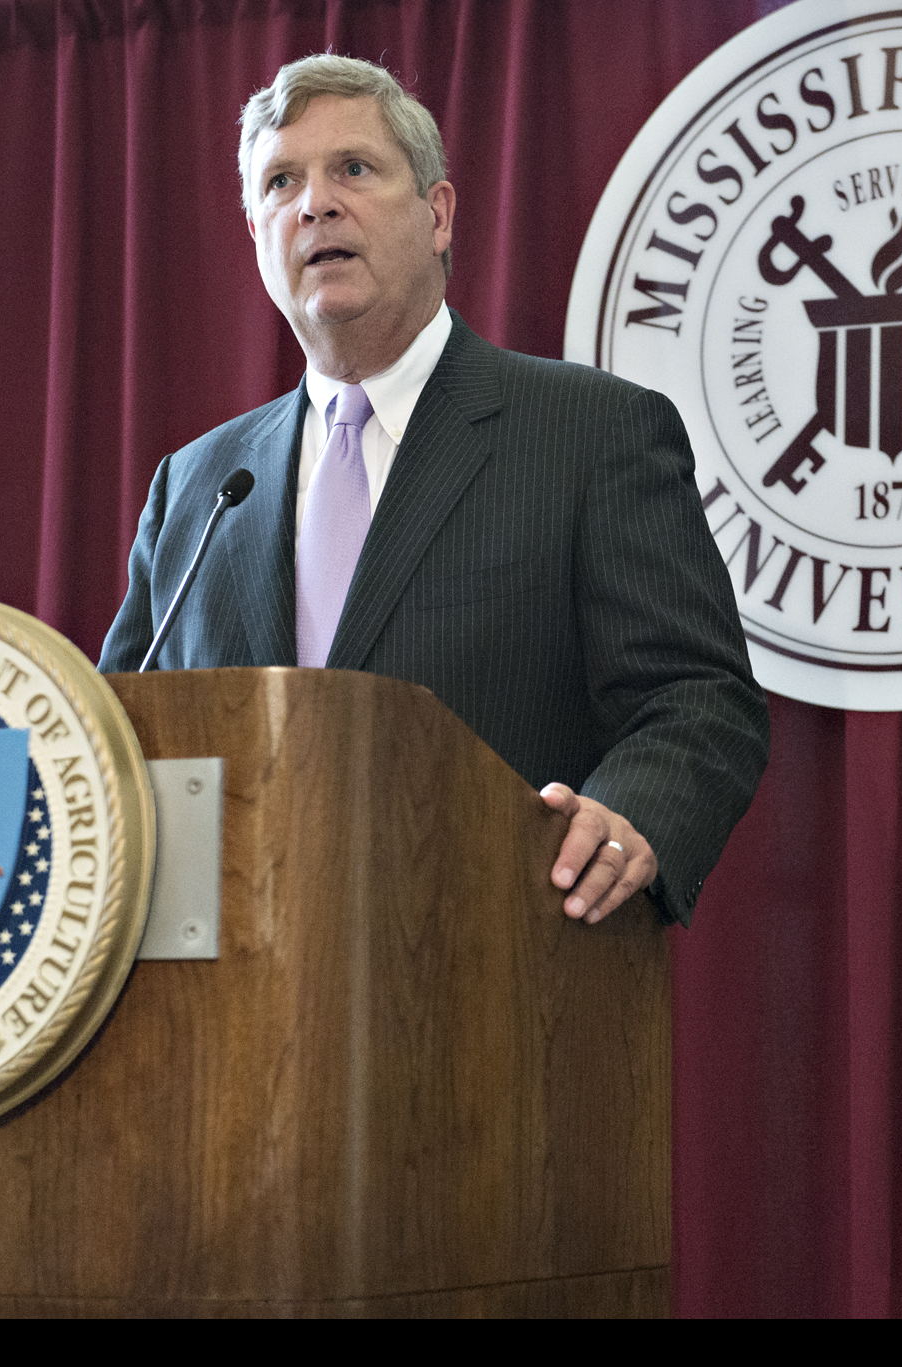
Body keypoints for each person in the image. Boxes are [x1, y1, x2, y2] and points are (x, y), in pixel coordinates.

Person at [99, 51, 766, 935]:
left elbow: (695, 696)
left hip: (498, 966)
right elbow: (112, 735)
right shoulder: (199, 484)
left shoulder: (590, 434)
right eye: (281, 183)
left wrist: (628, 818)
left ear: (439, 213)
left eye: (354, 170)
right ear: (256, 232)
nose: (315, 205)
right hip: (228, 997)